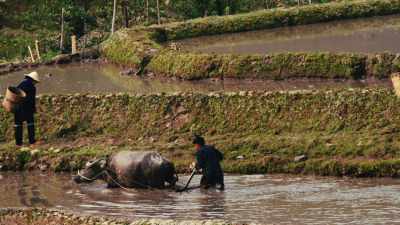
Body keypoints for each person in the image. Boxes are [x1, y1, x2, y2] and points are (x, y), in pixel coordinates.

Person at [14, 71, 40, 147]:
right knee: (30, 124)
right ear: (33, 80)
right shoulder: (32, 87)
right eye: (35, 82)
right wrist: (34, 109)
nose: (35, 83)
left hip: (17, 108)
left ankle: (18, 143)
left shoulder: (20, 84)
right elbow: (31, 100)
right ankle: (32, 142)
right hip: (26, 108)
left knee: (18, 125)